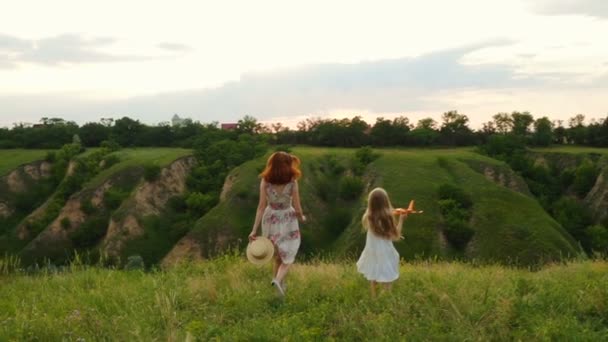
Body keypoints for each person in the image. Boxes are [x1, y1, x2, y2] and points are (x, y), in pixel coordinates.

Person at [249, 151, 306, 296]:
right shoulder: (292, 181)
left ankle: (278, 288)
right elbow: (298, 207)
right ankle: (278, 280)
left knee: (278, 256)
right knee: (289, 254)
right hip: (288, 218)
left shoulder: (265, 180)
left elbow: (261, 206)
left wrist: (254, 230)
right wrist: (302, 217)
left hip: (270, 219)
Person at [356, 187, 409, 297]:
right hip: (385, 253)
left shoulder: (369, 217)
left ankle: (374, 297)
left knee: (374, 275)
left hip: (373, 252)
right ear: (386, 202)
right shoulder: (387, 218)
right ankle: (385, 298)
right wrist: (401, 220)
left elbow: (378, 218)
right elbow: (395, 236)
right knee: (387, 278)